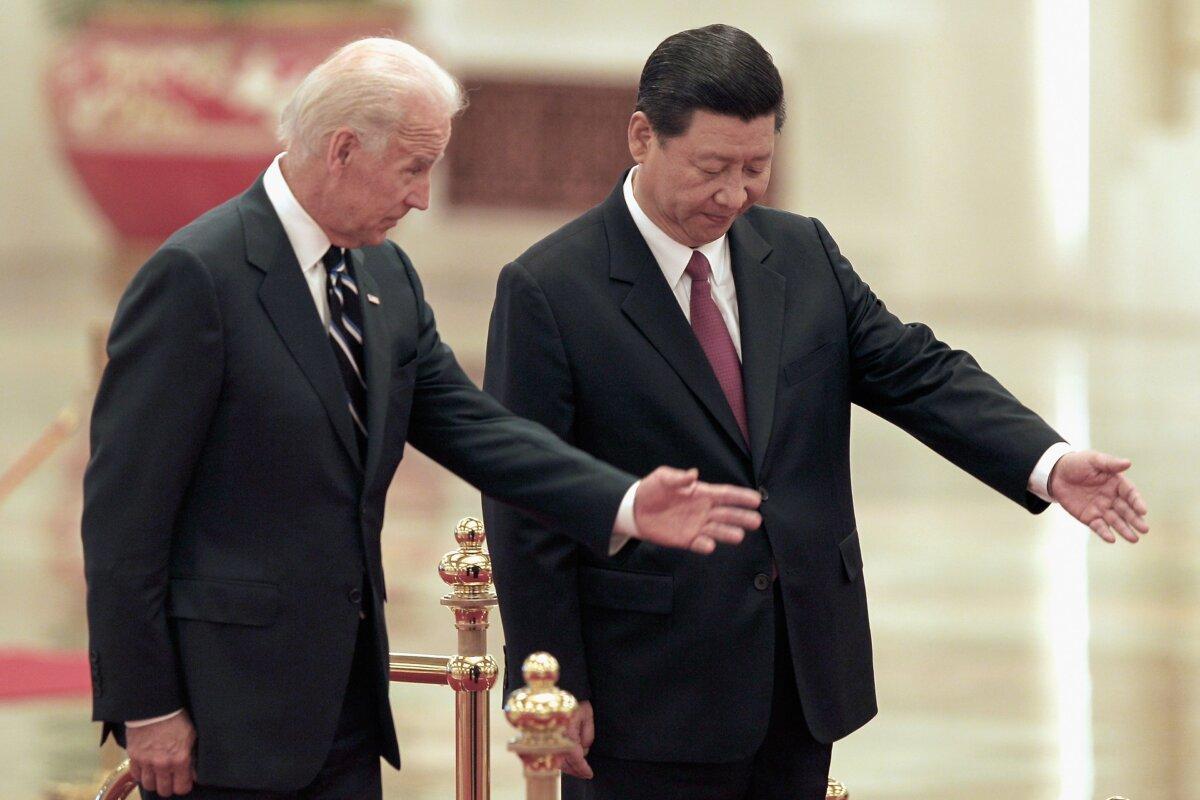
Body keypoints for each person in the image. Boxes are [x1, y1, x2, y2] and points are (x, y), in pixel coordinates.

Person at [81, 37, 764, 800]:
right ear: (341, 150)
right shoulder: (196, 277)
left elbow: (473, 426)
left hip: (345, 709)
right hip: (221, 716)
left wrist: (627, 502)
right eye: (412, 168)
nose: (422, 197)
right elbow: (122, 521)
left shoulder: (384, 273)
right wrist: (148, 706)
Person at [481, 23, 1149, 800]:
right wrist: (555, 684)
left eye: (757, 167)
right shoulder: (550, 288)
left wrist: (1049, 460)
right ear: (642, 136)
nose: (734, 194)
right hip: (646, 689)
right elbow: (526, 501)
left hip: (797, 679)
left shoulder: (800, 254)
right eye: (712, 168)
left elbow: (917, 372)